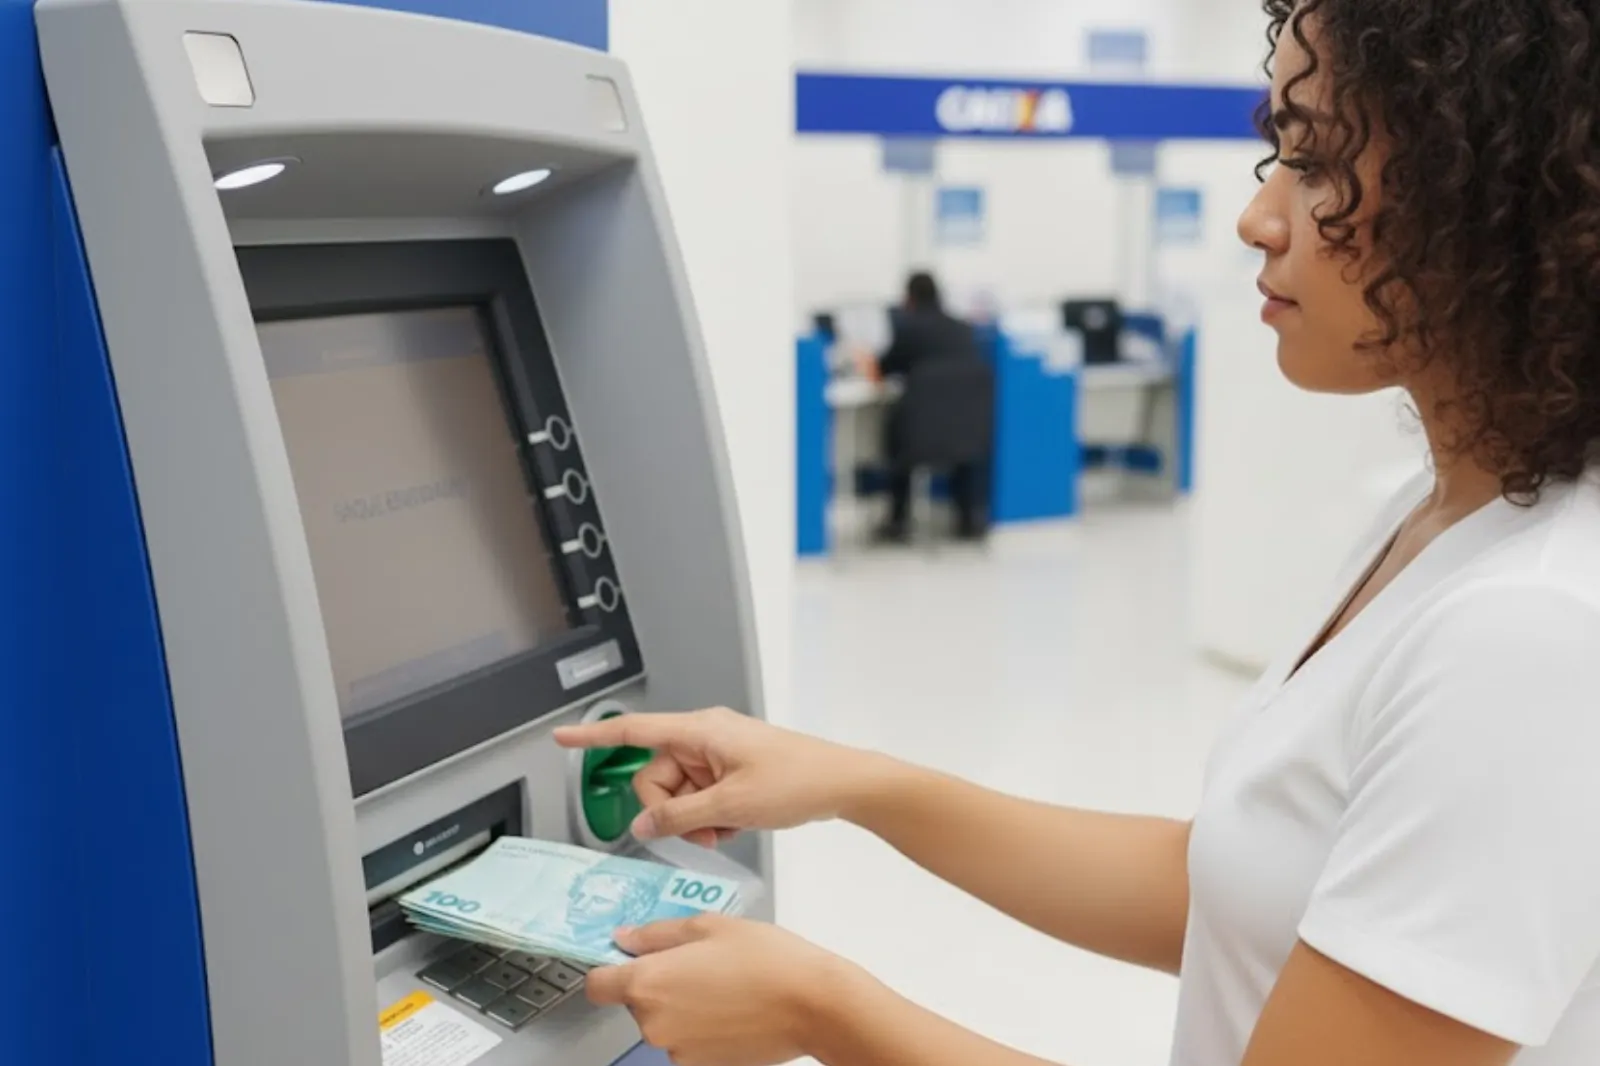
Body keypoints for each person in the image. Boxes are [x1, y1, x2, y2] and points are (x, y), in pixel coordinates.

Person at [557, 1, 1600, 1063]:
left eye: (1318, 160)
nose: (1259, 217)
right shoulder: (1447, 517)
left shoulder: (1530, 630)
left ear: (1499, 198)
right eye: (1274, 154)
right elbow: (1236, 889)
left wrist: (827, 1011)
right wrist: (855, 782)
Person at [863, 271, 990, 542]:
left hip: (919, 436)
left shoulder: (909, 329)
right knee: (959, 448)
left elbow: (884, 370)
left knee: (896, 438)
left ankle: (898, 521)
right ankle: (968, 519)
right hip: (966, 431)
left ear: (909, 298)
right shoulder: (963, 329)